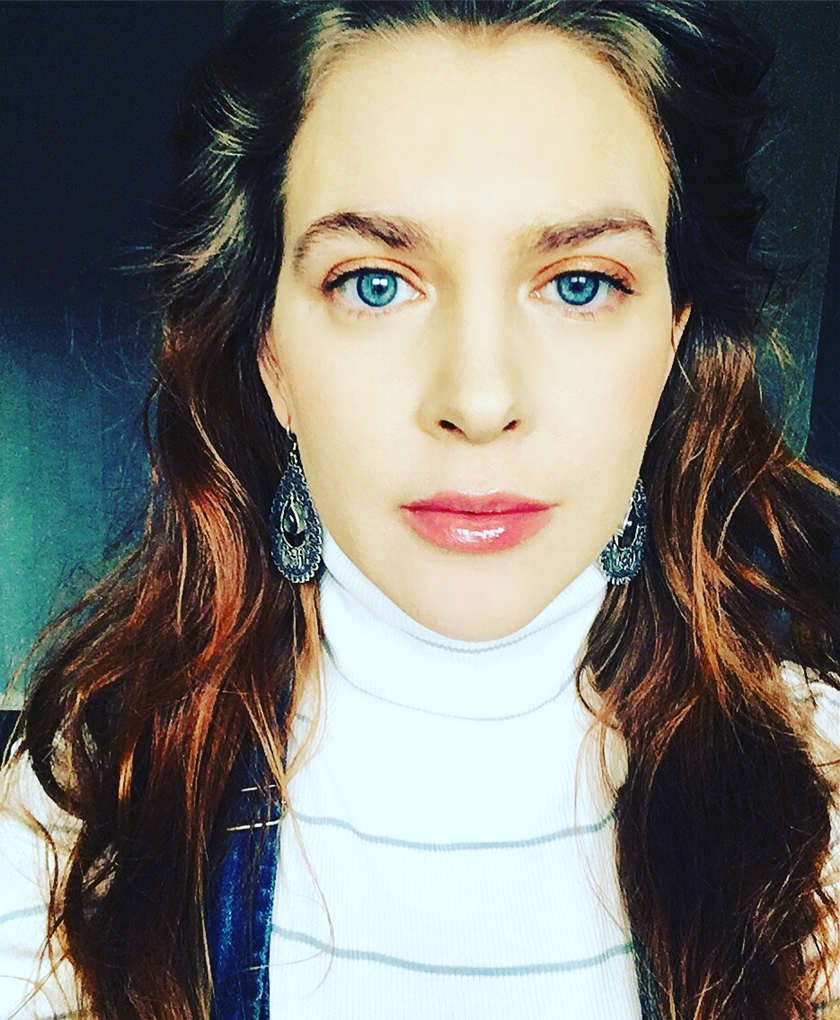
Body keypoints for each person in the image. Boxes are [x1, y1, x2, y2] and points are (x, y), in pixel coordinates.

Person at [1, 1, 838, 1018]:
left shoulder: (822, 807)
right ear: (270, 357)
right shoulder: (69, 835)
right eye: (374, 284)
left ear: (671, 344)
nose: (478, 401)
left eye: (579, 284)